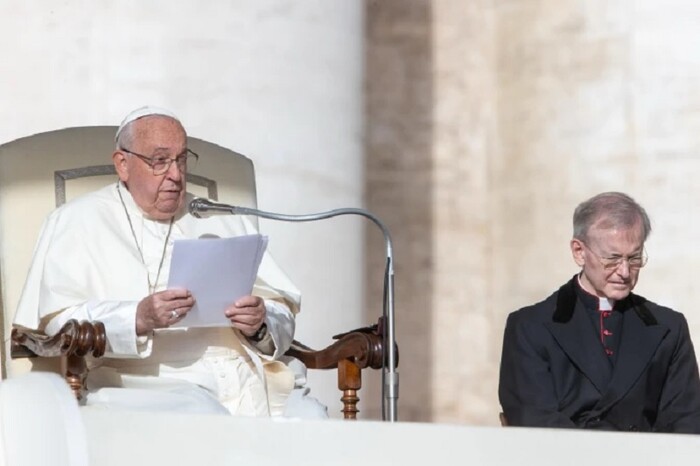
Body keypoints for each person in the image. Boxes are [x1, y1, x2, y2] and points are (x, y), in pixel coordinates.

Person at [13, 106, 327, 418]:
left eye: (181, 159)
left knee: (311, 418)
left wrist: (260, 324)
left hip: (246, 378)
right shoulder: (78, 221)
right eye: (160, 161)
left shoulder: (219, 216)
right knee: (205, 417)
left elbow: (281, 309)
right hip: (145, 382)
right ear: (123, 164)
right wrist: (137, 317)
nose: (175, 175)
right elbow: (59, 324)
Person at [499, 192, 700, 432]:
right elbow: (534, 420)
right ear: (579, 252)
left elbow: (686, 422)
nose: (625, 271)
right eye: (612, 259)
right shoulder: (530, 327)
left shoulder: (669, 328)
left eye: (634, 258)